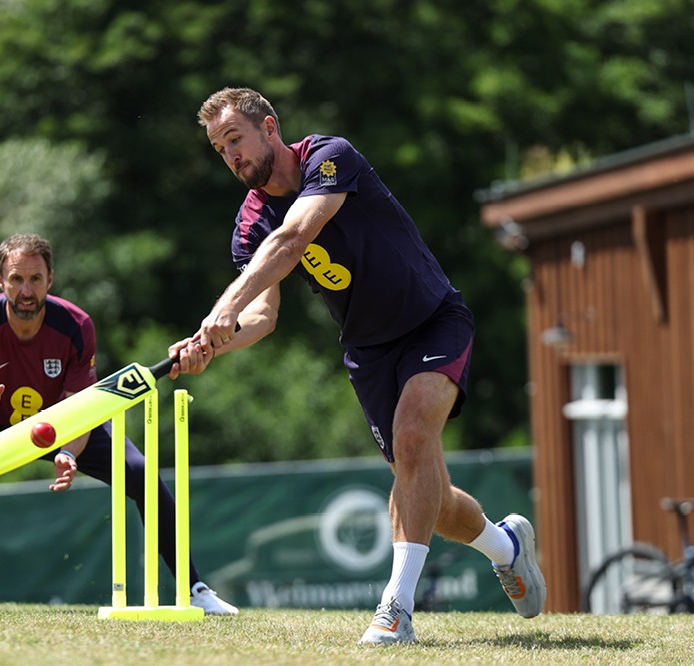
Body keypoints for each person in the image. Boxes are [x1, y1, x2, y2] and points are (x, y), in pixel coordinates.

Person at [168, 88, 544, 644]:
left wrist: (221, 307)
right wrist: (211, 344)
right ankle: (506, 546)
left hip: (432, 321)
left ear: (269, 127)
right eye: (219, 149)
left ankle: (396, 611)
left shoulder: (330, 155)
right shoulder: (248, 222)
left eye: (235, 139)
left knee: (413, 437)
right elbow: (263, 317)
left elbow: (294, 238)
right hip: (368, 352)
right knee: (433, 503)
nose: (230, 156)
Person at [0, 233, 238, 616]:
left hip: (65, 421)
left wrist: (68, 454)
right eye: (17, 279)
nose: (26, 290)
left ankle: (194, 589)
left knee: (140, 471)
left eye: (35, 279)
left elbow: (82, 409)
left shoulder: (75, 325)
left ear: (50, 280)